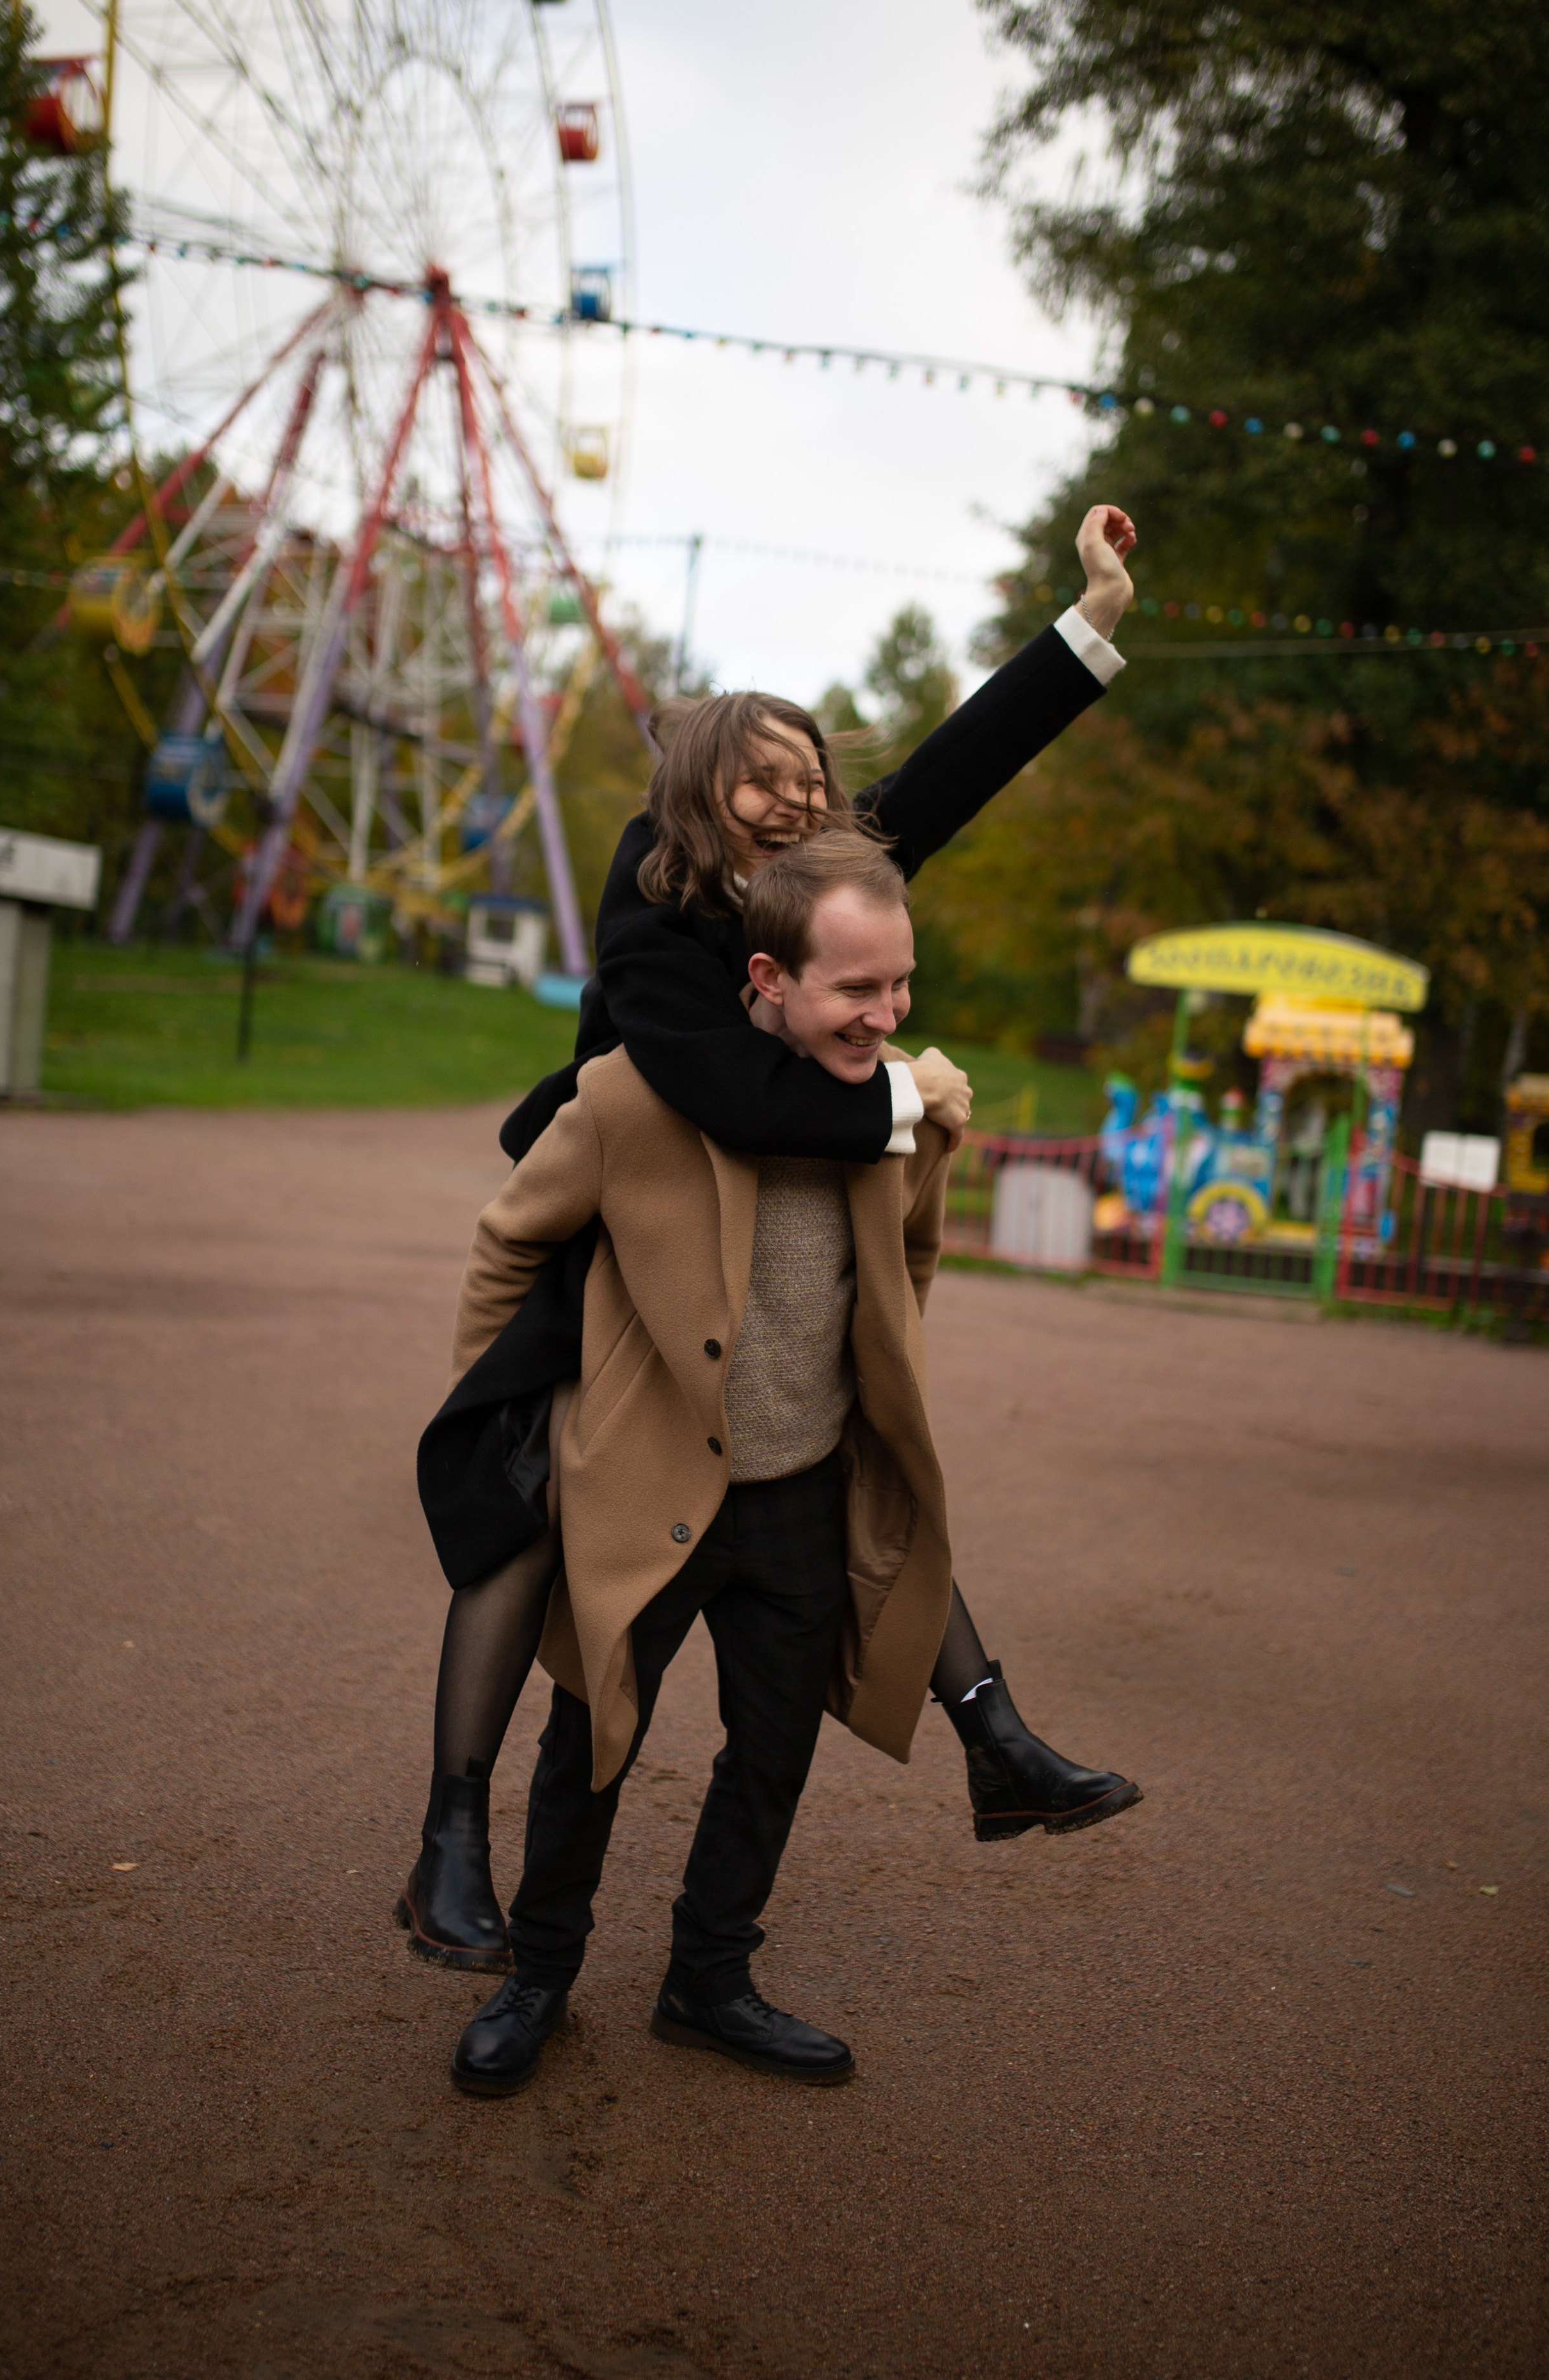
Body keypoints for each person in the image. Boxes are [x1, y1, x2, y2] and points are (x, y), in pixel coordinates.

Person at [404, 506, 1140, 1974]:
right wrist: (898, 1103)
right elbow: (715, 1087)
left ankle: (986, 1728)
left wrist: (1089, 625)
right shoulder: (655, 886)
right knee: (520, 1506)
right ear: (700, 787)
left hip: (756, 1255)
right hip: (619, 1232)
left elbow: (948, 771)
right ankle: (449, 1837)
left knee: (856, 1445)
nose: (797, 803)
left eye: (811, 781)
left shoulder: (819, 884)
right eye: (766, 782)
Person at [450, 834, 962, 2095]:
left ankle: (708, 1977)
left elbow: (910, 1258)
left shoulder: (886, 1102)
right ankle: (539, 1971)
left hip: (796, 1491)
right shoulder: (636, 1095)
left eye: (899, 985)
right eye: (856, 988)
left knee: (772, 1746)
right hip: (649, 1489)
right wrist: (504, 1409)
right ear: (765, 976)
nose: (885, 1013)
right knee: (591, 1738)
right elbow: (507, 1238)